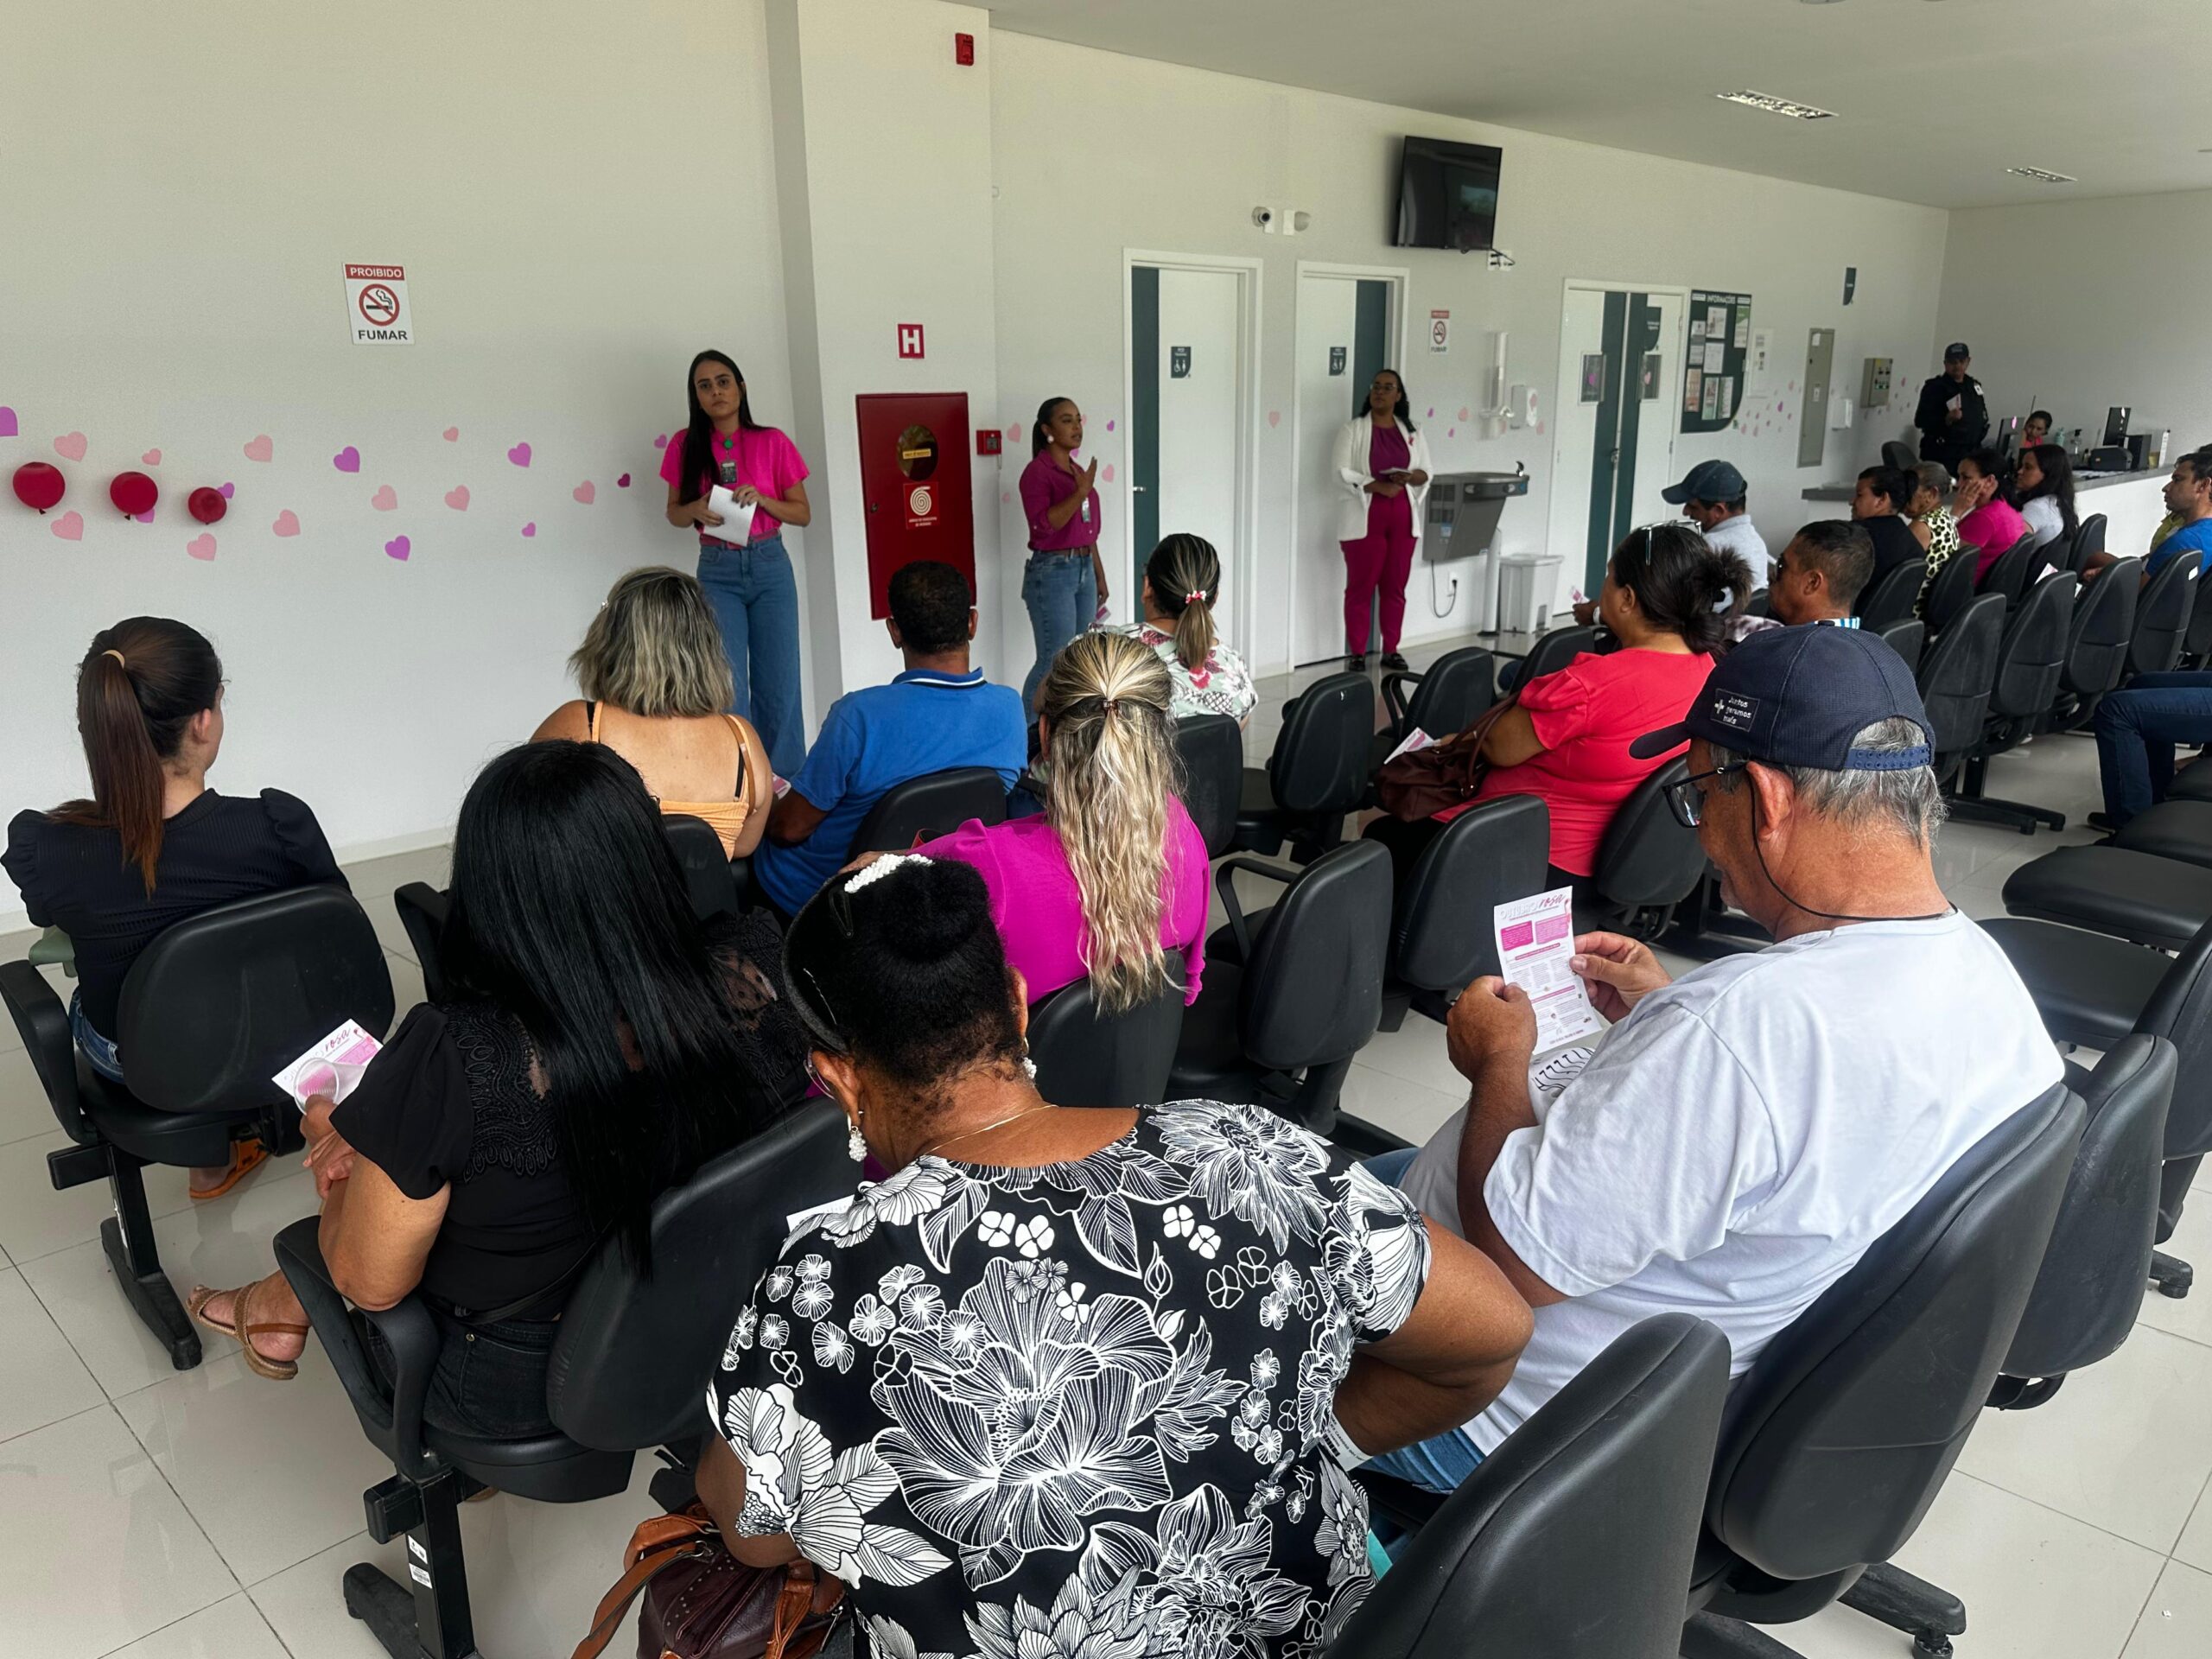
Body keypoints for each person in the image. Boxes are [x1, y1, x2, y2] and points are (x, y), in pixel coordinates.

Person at [695, 854, 1531, 1656]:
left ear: (838, 1077)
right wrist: (1304, 1440)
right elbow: (1492, 1333)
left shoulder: (828, 1275)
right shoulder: (1247, 1151)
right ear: (1019, 1006)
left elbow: (755, 1534)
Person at [1364, 626, 2063, 1485]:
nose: (1699, 832)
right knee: (1351, 1175)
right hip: (1673, 1380)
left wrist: (1496, 1060)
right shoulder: (1990, 984)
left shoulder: (1743, 1032)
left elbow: (1512, 1261)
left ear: (1765, 800)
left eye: (1699, 794)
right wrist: (1666, 1015)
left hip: (1497, 1415)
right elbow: (1814, 1116)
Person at [185, 741, 807, 1413]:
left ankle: (280, 1307)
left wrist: (343, 1164)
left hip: (534, 1380)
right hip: (731, 1319)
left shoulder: (457, 1054)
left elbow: (368, 1283)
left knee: (370, 1221)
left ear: (488, 887)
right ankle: (277, 1303)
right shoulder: (758, 966)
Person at [3, 620, 344, 1200]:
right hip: (273, 1041)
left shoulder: (51, 848)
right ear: (203, 721)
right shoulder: (276, 828)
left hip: (138, 1062)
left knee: (99, 991)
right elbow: (334, 921)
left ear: (101, 729)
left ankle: (209, 1166)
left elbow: (47, 913)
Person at [1364, 523, 1747, 890]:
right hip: (1610, 857)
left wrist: (1449, 741)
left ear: (1628, 599)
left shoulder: (1595, 685)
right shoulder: (1708, 669)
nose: (1605, 586)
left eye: (1610, 576)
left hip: (1524, 855)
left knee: (1380, 838)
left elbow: (1498, 748)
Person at [925, 631, 1209, 1009]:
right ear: (1156, 738)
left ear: (1045, 735)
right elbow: (1189, 985)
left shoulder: (987, 864)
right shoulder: (1180, 828)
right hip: (1146, 1066)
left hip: (1026, 1068)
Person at [752, 562, 1026, 918]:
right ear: (972, 623)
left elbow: (789, 830)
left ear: (894, 631)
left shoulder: (858, 716)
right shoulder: (1009, 709)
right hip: (942, 889)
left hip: (827, 899)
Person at [530, 568, 772, 857]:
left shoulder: (581, 724)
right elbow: (743, 847)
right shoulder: (743, 740)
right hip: (703, 904)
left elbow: (519, 821)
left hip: (602, 902)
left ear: (613, 639)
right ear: (706, 646)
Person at [660, 350, 811, 778]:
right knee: (726, 685)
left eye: (723, 381)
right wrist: (696, 507)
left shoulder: (773, 441)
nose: (716, 392)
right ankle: (739, 781)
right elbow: (673, 514)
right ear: (697, 397)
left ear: (741, 388)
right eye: (704, 386)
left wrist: (765, 499)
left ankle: (784, 784)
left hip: (770, 565)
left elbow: (803, 513)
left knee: (780, 684)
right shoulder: (684, 445)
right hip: (717, 570)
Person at [1334, 367, 1434, 673]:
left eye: (1387, 387)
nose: (1380, 391)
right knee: (1361, 588)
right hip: (1367, 516)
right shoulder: (1353, 430)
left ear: (1398, 395)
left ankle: (1391, 649)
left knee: (1395, 587)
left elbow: (1426, 472)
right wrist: (1378, 485)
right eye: (1376, 386)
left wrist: (1406, 477)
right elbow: (1340, 471)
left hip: (1403, 516)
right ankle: (1358, 653)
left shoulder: (1413, 431)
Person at [1018, 397, 1110, 719]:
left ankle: (1070, 724)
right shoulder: (1037, 473)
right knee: (1052, 658)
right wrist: (1080, 493)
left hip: (1083, 566)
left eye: (1078, 420)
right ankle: (1027, 733)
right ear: (1048, 430)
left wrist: (1098, 573)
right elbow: (1045, 525)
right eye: (1067, 420)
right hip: (1053, 571)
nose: (1076, 427)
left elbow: (1087, 531)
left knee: (1080, 654)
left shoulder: (1076, 471)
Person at [1114, 531, 1258, 724]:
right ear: (1214, 599)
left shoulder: (1102, 647)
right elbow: (1228, 741)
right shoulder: (1233, 668)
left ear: (1147, 587)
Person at [2083, 447, 2212, 584]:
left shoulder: (2184, 542)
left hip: (2139, 602)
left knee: (2094, 561)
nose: (2166, 488)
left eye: (2177, 480)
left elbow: (2141, 593)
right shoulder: (2202, 533)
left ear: (2203, 485)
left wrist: (2105, 575)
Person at [1733, 521, 1871, 638]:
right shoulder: (1879, 654)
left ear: (1811, 583)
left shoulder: (1779, 655)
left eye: (1781, 566)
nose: (1771, 575)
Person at [1661, 459, 1771, 586]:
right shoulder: (1757, 543)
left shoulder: (1709, 548)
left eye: (1692, 506)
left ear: (1718, 510)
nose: (1685, 512)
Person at [1954, 449, 2032, 582]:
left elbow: (1945, 559)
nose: (1959, 484)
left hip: (1961, 588)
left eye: (1966, 478)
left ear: (1989, 481)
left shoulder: (1985, 518)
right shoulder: (2005, 505)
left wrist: (1956, 511)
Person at [1913, 342, 1989, 471]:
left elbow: (1982, 415)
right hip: (1943, 454)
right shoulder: (1935, 387)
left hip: (1970, 453)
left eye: (1961, 361)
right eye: (1953, 362)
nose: (1957, 365)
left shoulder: (1973, 386)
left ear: (1968, 361)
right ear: (1945, 363)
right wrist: (1946, 419)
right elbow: (1920, 420)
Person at [1849, 464, 1924, 589]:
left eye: (1860, 495)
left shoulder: (1856, 536)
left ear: (1882, 499)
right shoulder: (1911, 543)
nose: (1852, 501)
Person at [2013, 442, 2079, 551]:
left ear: (2048, 475)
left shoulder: (2035, 509)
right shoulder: (2058, 502)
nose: (2020, 471)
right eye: (2021, 466)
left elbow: (2011, 554)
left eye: (2028, 468)